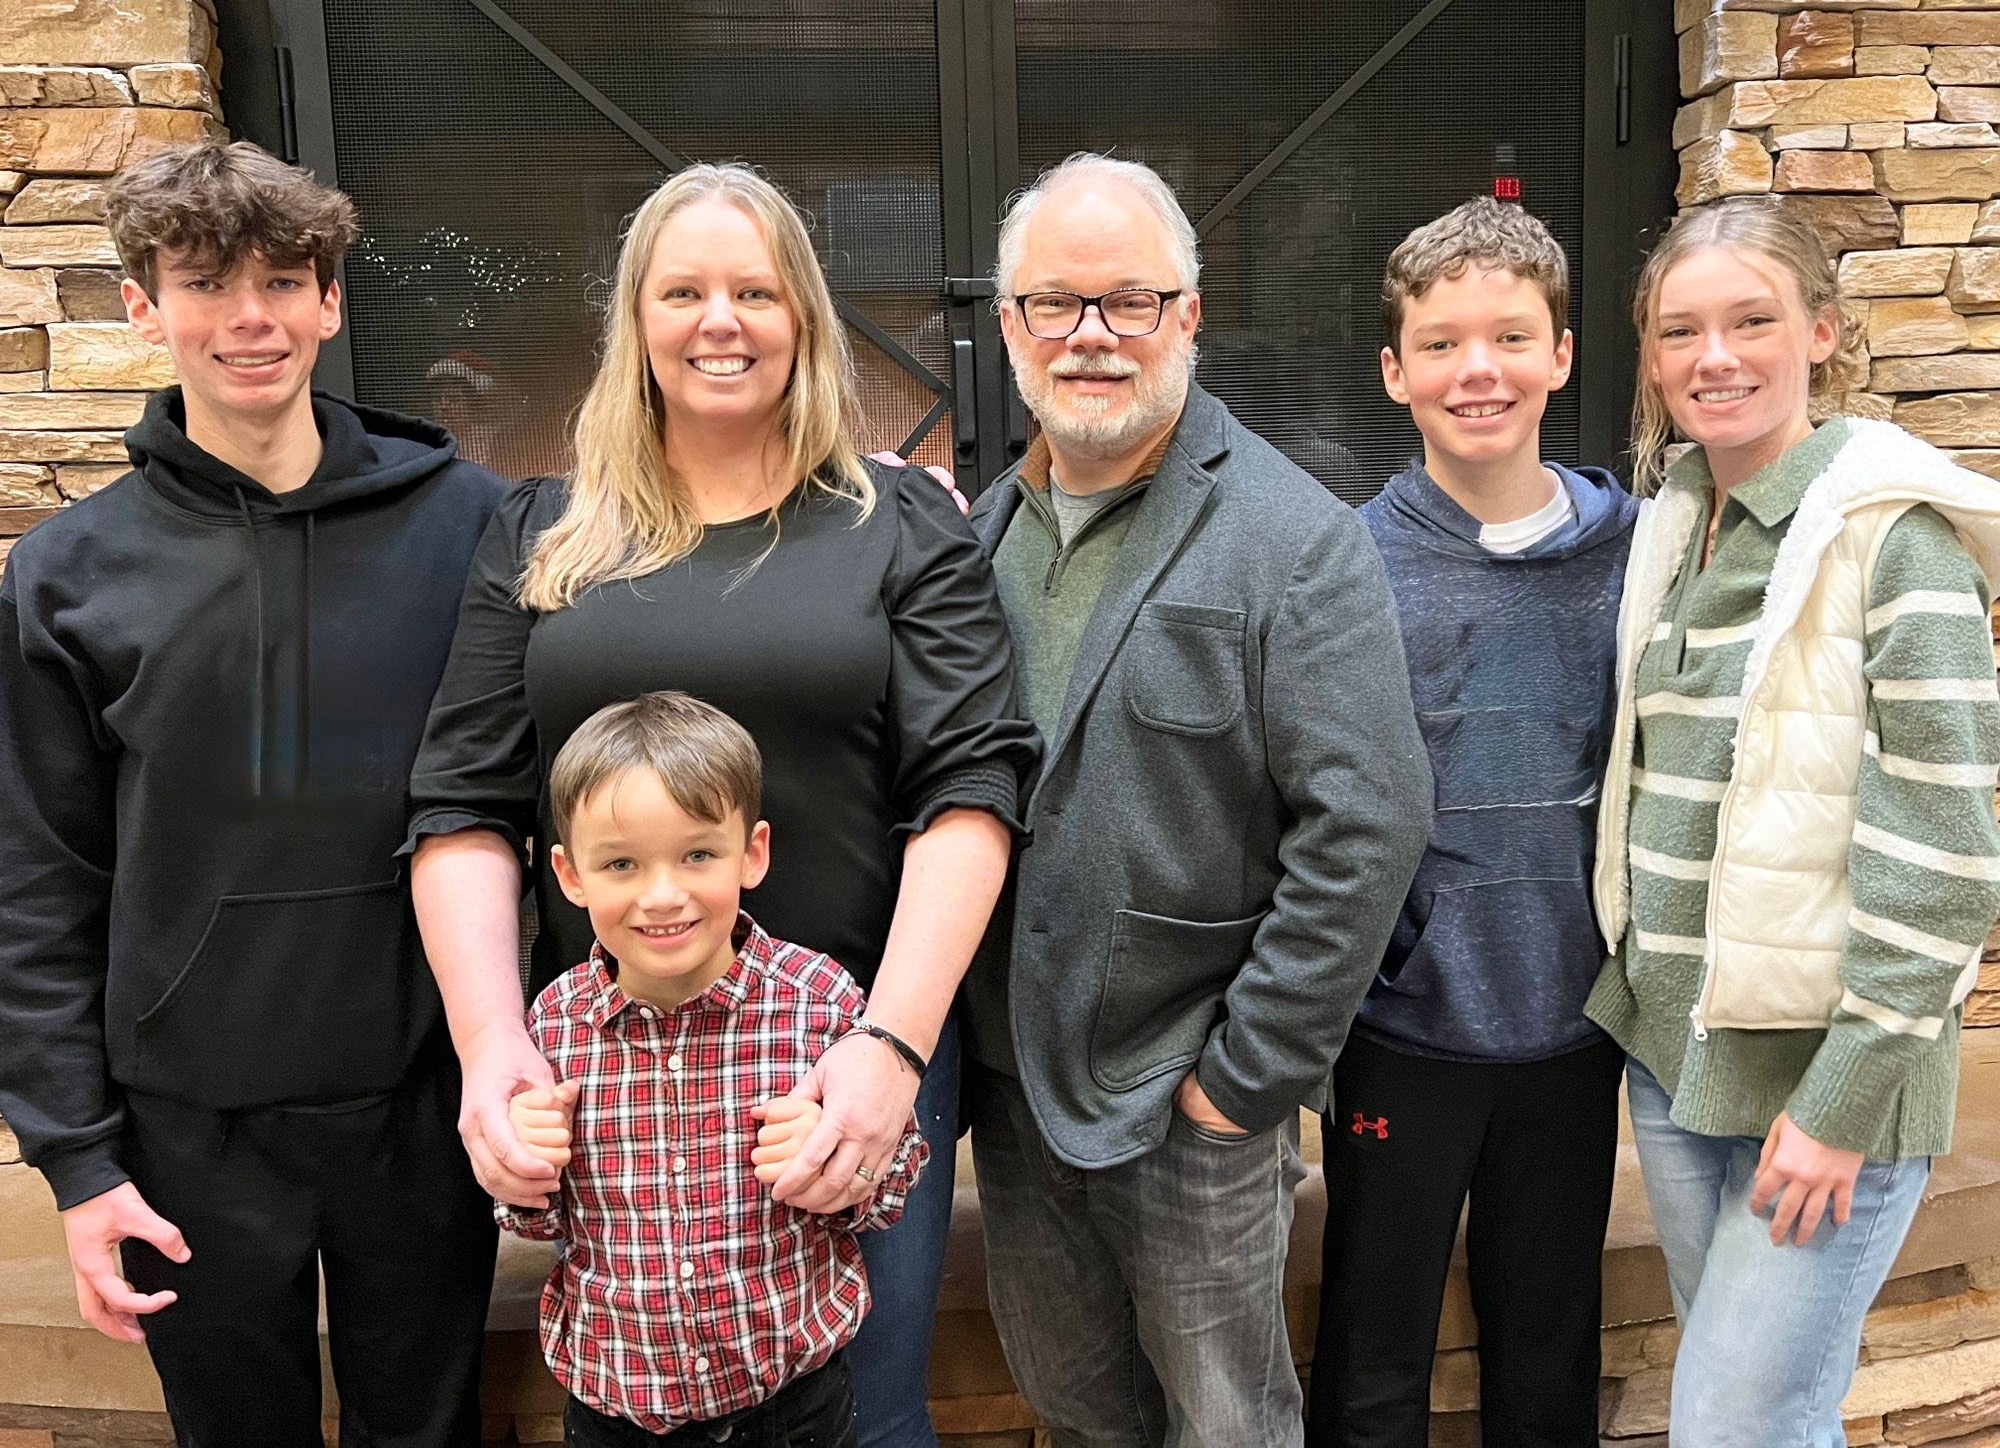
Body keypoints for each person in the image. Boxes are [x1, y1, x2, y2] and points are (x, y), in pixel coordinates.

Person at [405, 162, 1038, 1448]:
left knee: (862, 1419)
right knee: (640, 1411)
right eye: (682, 290)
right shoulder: (544, 532)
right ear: (634, 321)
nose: (719, 321)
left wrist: (892, 1051)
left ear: (801, 314)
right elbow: (462, 803)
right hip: (609, 1065)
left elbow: (971, 786)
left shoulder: (897, 523)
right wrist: (490, 1045)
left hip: (845, 1057)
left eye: (754, 290)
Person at [0, 142, 511, 1446]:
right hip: (186, 1130)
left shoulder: (468, 524)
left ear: (330, 301)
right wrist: (78, 1162)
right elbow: (36, 884)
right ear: (142, 306)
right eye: (205, 282)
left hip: (419, 1107)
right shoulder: (66, 577)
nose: (250, 318)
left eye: (283, 281)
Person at [961, 152, 1432, 1448]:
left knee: (1229, 1428)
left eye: (1131, 300)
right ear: (1008, 325)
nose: (1091, 334)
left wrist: (1245, 1079)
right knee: (1075, 1413)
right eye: (1054, 303)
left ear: (1189, 315)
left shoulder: (1292, 537)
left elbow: (1370, 823)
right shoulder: (978, 540)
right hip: (1014, 1092)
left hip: (1190, 1099)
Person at [1586, 195, 2000, 1446]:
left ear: (1819, 332)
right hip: (1675, 1057)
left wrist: (1838, 1105)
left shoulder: (1893, 542)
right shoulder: (1674, 528)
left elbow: (1944, 859)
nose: (1712, 357)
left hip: (1824, 1083)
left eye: (1750, 321)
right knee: (1773, 1422)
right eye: (1679, 331)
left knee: (1728, 1427)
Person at [1306, 198, 1637, 1448]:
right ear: (1394, 373)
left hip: (1573, 1022)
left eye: (1509, 337)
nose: (1476, 370)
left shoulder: (1638, 554)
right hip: (1403, 1027)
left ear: (1560, 354)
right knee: (1370, 1354)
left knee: (1547, 1349)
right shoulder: (1345, 562)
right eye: (1440, 344)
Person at [497, 691, 925, 1447]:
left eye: (697, 854)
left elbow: (890, 1191)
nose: (663, 895)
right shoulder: (552, 1026)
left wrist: (839, 1165)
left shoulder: (819, 1002)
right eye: (621, 863)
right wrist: (526, 1167)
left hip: (794, 1409)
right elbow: (537, 1221)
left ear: (752, 853)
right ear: (569, 874)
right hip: (615, 1413)